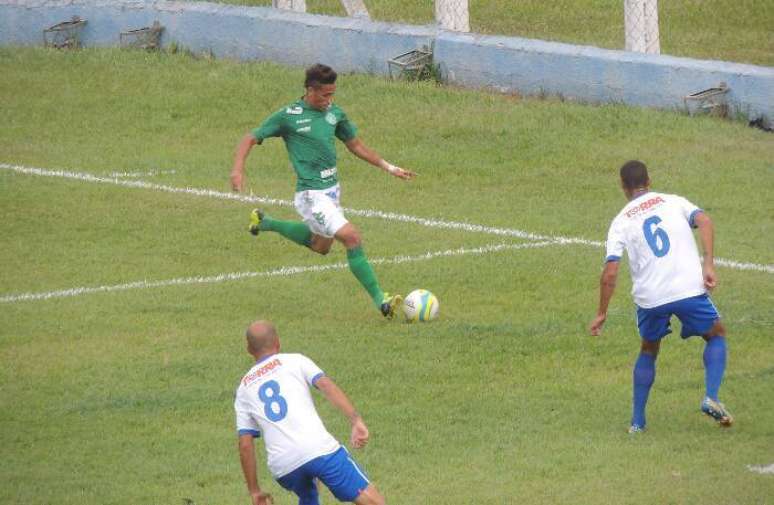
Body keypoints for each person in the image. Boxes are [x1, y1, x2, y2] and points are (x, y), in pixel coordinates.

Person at [230, 63, 416, 318]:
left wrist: (389, 167)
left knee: (320, 246)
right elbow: (250, 137)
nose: (329, 100)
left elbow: (356, 145)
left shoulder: (335, 114)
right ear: (309, 90)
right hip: (311, 195)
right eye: (324, 95)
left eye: (332, 94)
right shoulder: (289, 115)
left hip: (331, 192)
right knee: (352, 237)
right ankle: (381, 300)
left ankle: (265, 222)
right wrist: (238, 169)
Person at [589, 160, 733, 433]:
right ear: (649, 180)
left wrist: (601, 313)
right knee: (716, 334)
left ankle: (637, 423)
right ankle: (711, 396)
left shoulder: (620, 221)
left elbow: (610, 272)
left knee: (648, 349)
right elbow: (704, 220)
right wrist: (709, 263)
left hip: (651, 296)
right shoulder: (673, 201)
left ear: (623, 186)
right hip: (687, 287)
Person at [235, 320, 386, 505]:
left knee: (309, 496)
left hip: (284, 466)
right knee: (374, 501)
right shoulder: (295, 361)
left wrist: (254, 491)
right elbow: (325, 384)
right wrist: (355, 421)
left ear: (249, 349)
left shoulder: (243, 388)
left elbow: (245, 444)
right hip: (319, 449)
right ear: (278, 342)